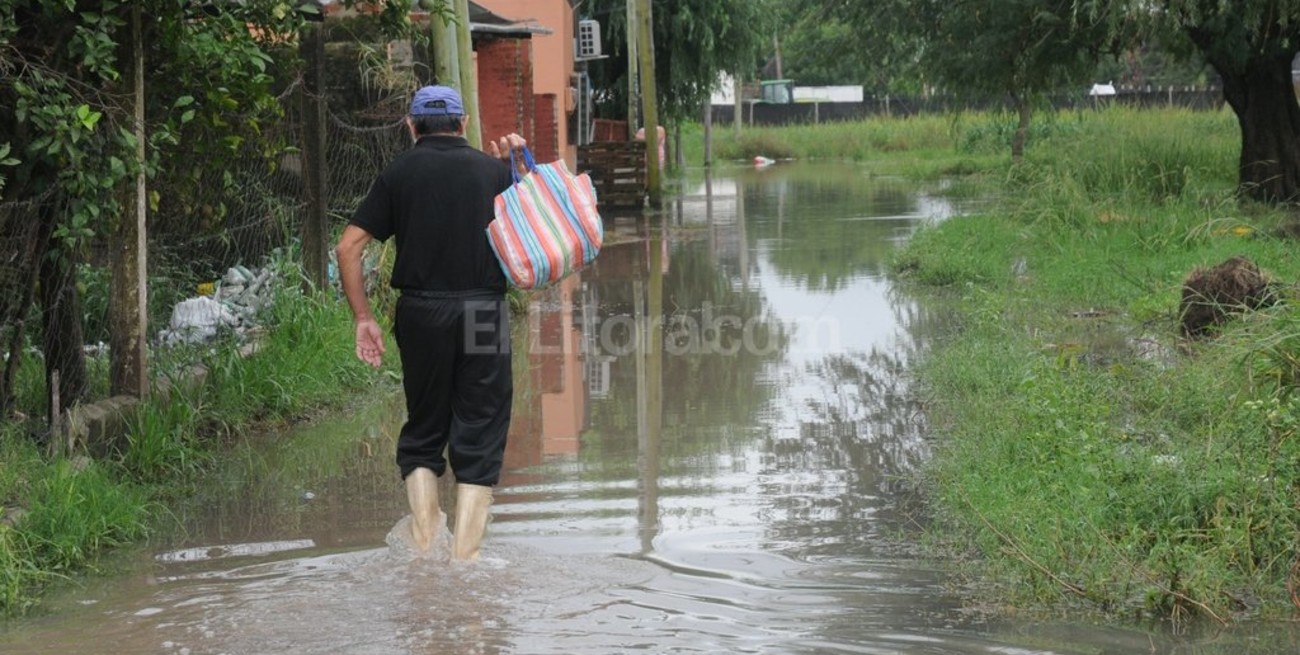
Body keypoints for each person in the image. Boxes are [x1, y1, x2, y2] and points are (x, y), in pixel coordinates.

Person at [335, 85, 525, 561]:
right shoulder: (494, 171)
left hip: (420, 315)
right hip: (482, 310)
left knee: (424, 428)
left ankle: (424, 543)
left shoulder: (399, 173)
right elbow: (536, 245)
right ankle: (464, 559)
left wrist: (364, 318)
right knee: (480, 427)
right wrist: (519, 173)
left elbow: (348, 247)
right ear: (463, 124)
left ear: (411, 126)